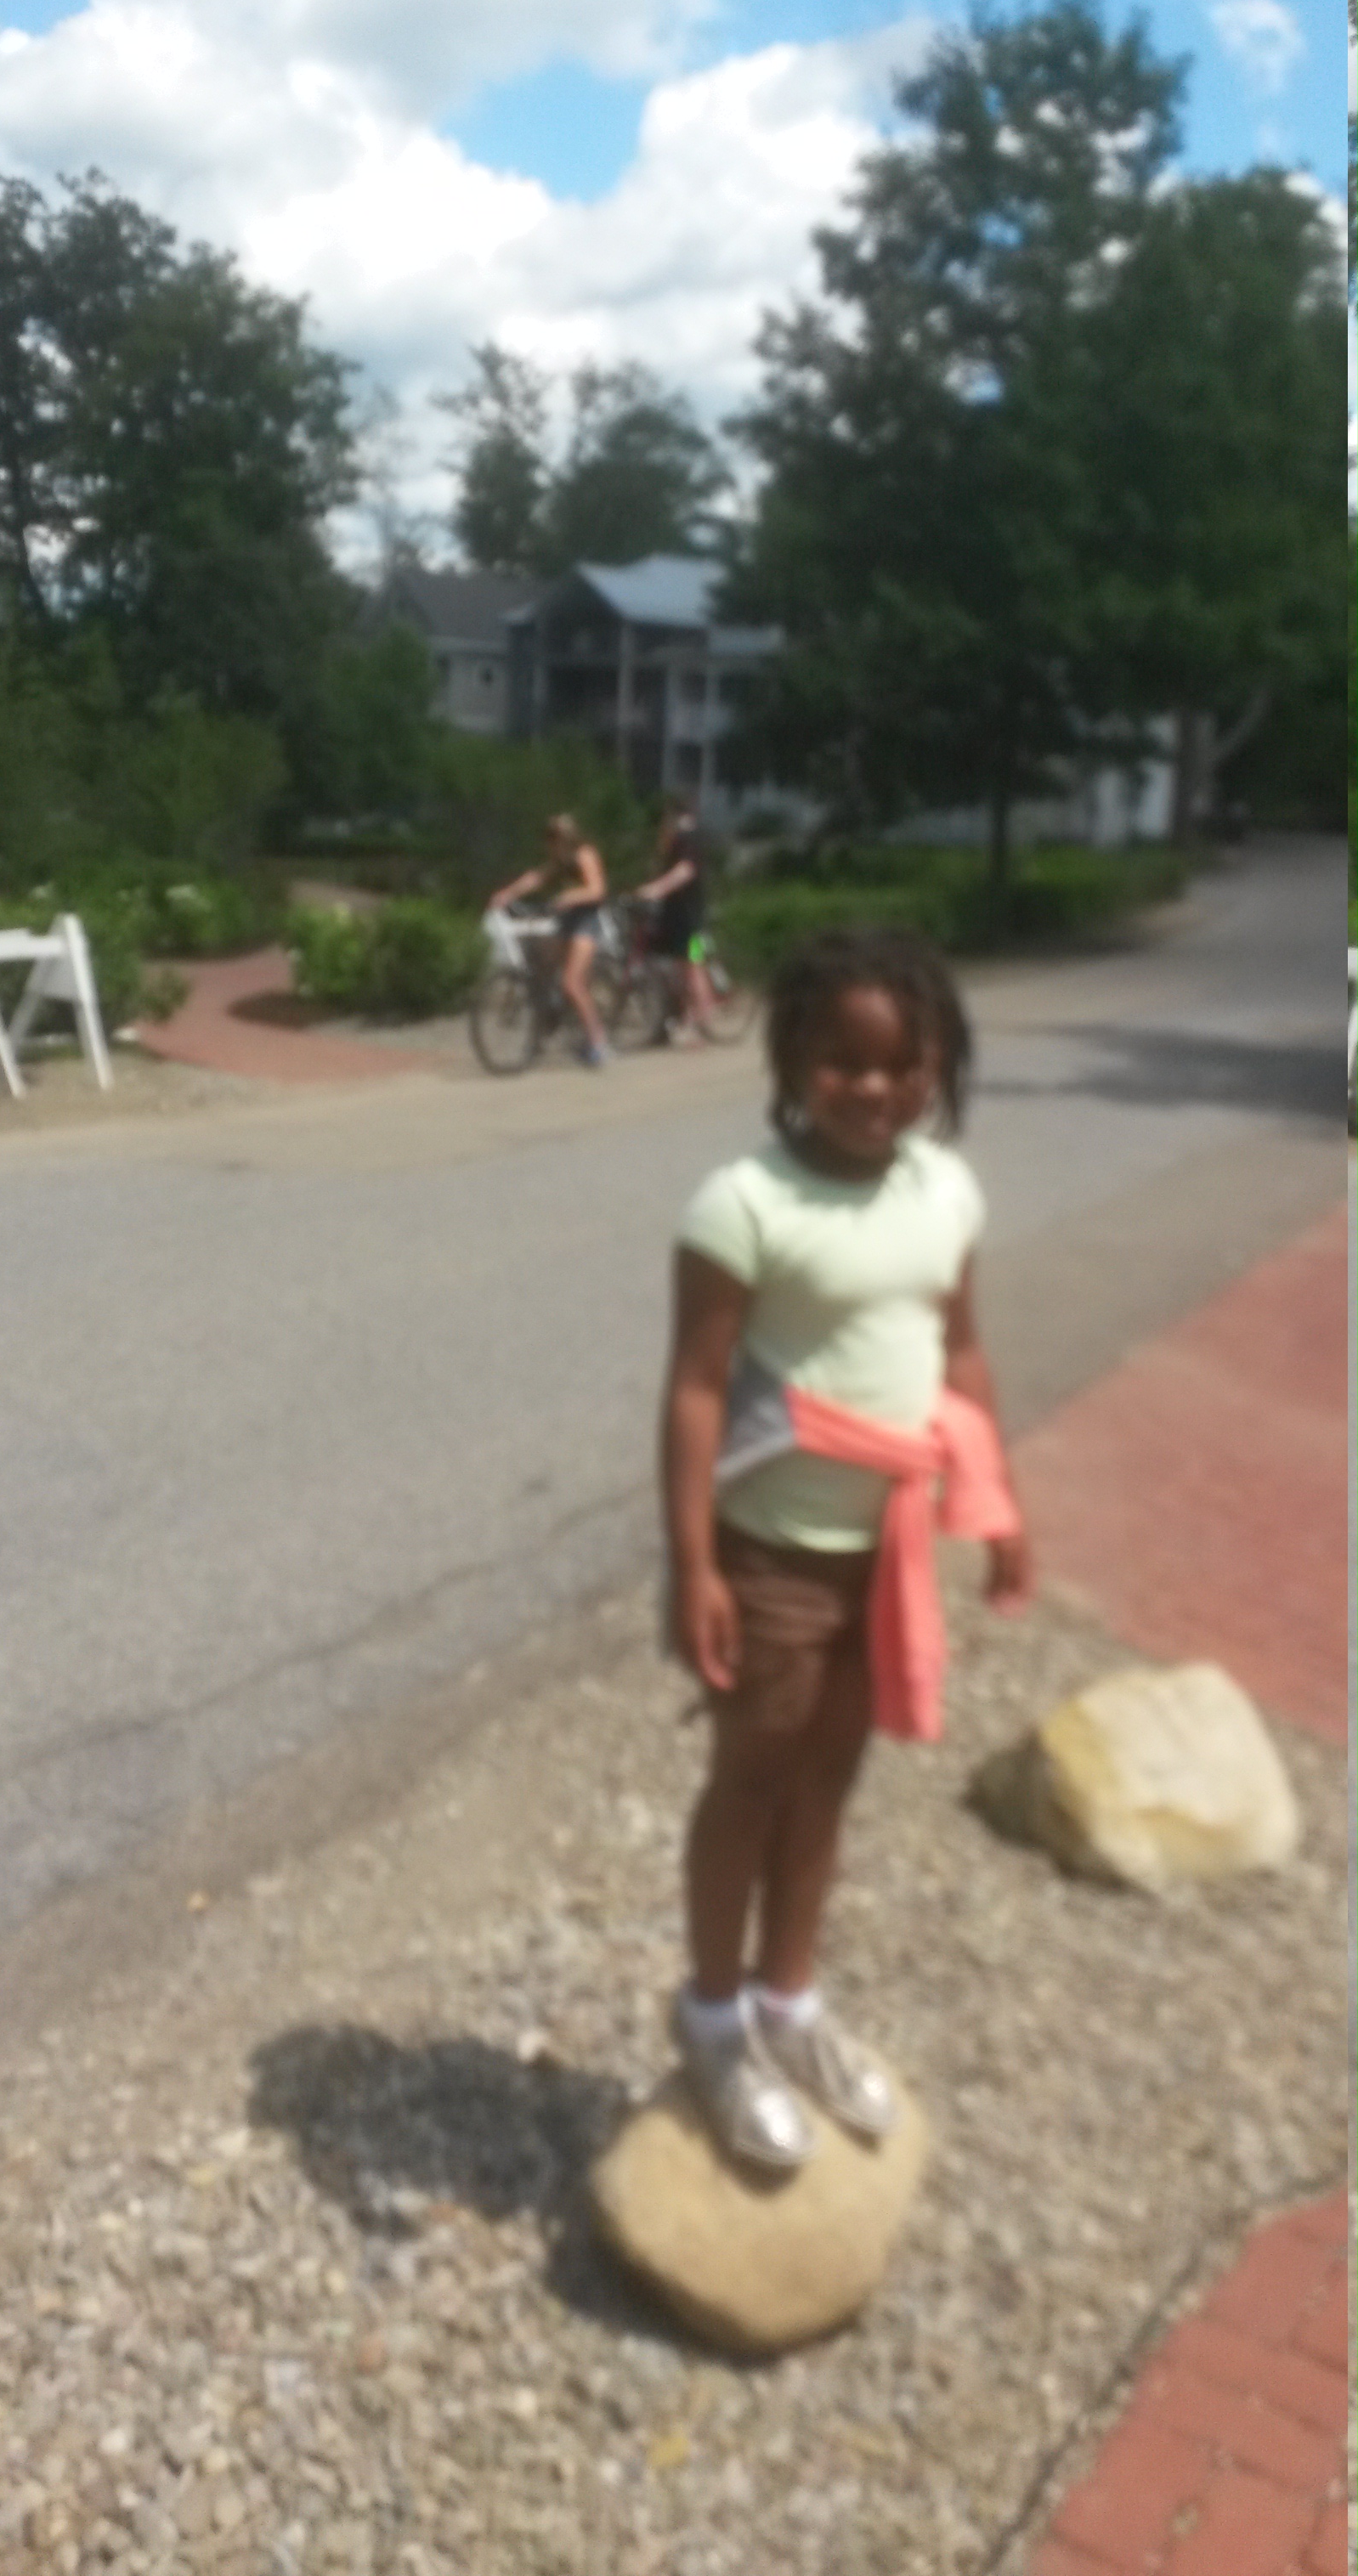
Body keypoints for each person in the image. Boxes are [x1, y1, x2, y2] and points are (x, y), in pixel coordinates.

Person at [659, 927, 1032, 2169]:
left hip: (890, 1557)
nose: (873, 1087)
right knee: (750, 1780)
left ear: (938, 1067)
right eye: (843, 1061)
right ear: (792, 1062)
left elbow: (960, 1351)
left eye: (901, 1064)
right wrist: (695, 1564)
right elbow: (696, 1390)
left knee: (829, 1780)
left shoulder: (946, 1193)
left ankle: (790, 2000)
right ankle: (713, 2021)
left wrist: (1004, 1508)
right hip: (773, 1557)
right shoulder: (744, 1206)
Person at [488, 813, 611, 1066]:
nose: (551, 845)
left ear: (566, 838)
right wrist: (507, 894)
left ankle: (598, 1042)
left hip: (586, 924)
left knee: (572, 983)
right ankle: (546, 1026)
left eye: (554, 839)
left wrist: (570, 896)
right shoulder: (559, 861)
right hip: (566, 922)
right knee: (542, 967)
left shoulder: (584, 854)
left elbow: (597, 890)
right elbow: (536, 878)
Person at [634, 795, 712, 1040]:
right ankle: (688, 1018)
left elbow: (685, 872)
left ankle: (701, 1025)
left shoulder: (690, 839)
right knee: (684, 969)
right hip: (678, 919)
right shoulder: (677, 840)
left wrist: (657, 889)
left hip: (692, 920)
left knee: (694, 968)